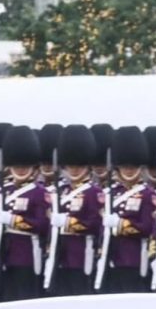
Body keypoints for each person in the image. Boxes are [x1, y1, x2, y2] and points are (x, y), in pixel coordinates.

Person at [0, 126, 50, 302]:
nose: (20, 169)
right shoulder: (4, 190)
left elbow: (42, 225)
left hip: (27, 253)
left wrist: (12, 220)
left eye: (24, 165)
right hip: (6, 252)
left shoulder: (39, 192)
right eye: (17, 165)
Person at [49, 125, 103, 296]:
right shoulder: (60, 191)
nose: (74, 169)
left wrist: (66, 223)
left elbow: (94, 224)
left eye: (79, 165)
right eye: (71, 165)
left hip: (81, 255)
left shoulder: (93, 192)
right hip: (59, 255)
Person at [101, 126, 155, 294]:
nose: (129, 170)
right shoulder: (111, 194)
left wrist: (119, 225)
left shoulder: (147, 195)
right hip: (111, 257)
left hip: (135, 259)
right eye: (124, 166)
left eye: (133, 166)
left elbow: (146, 227)